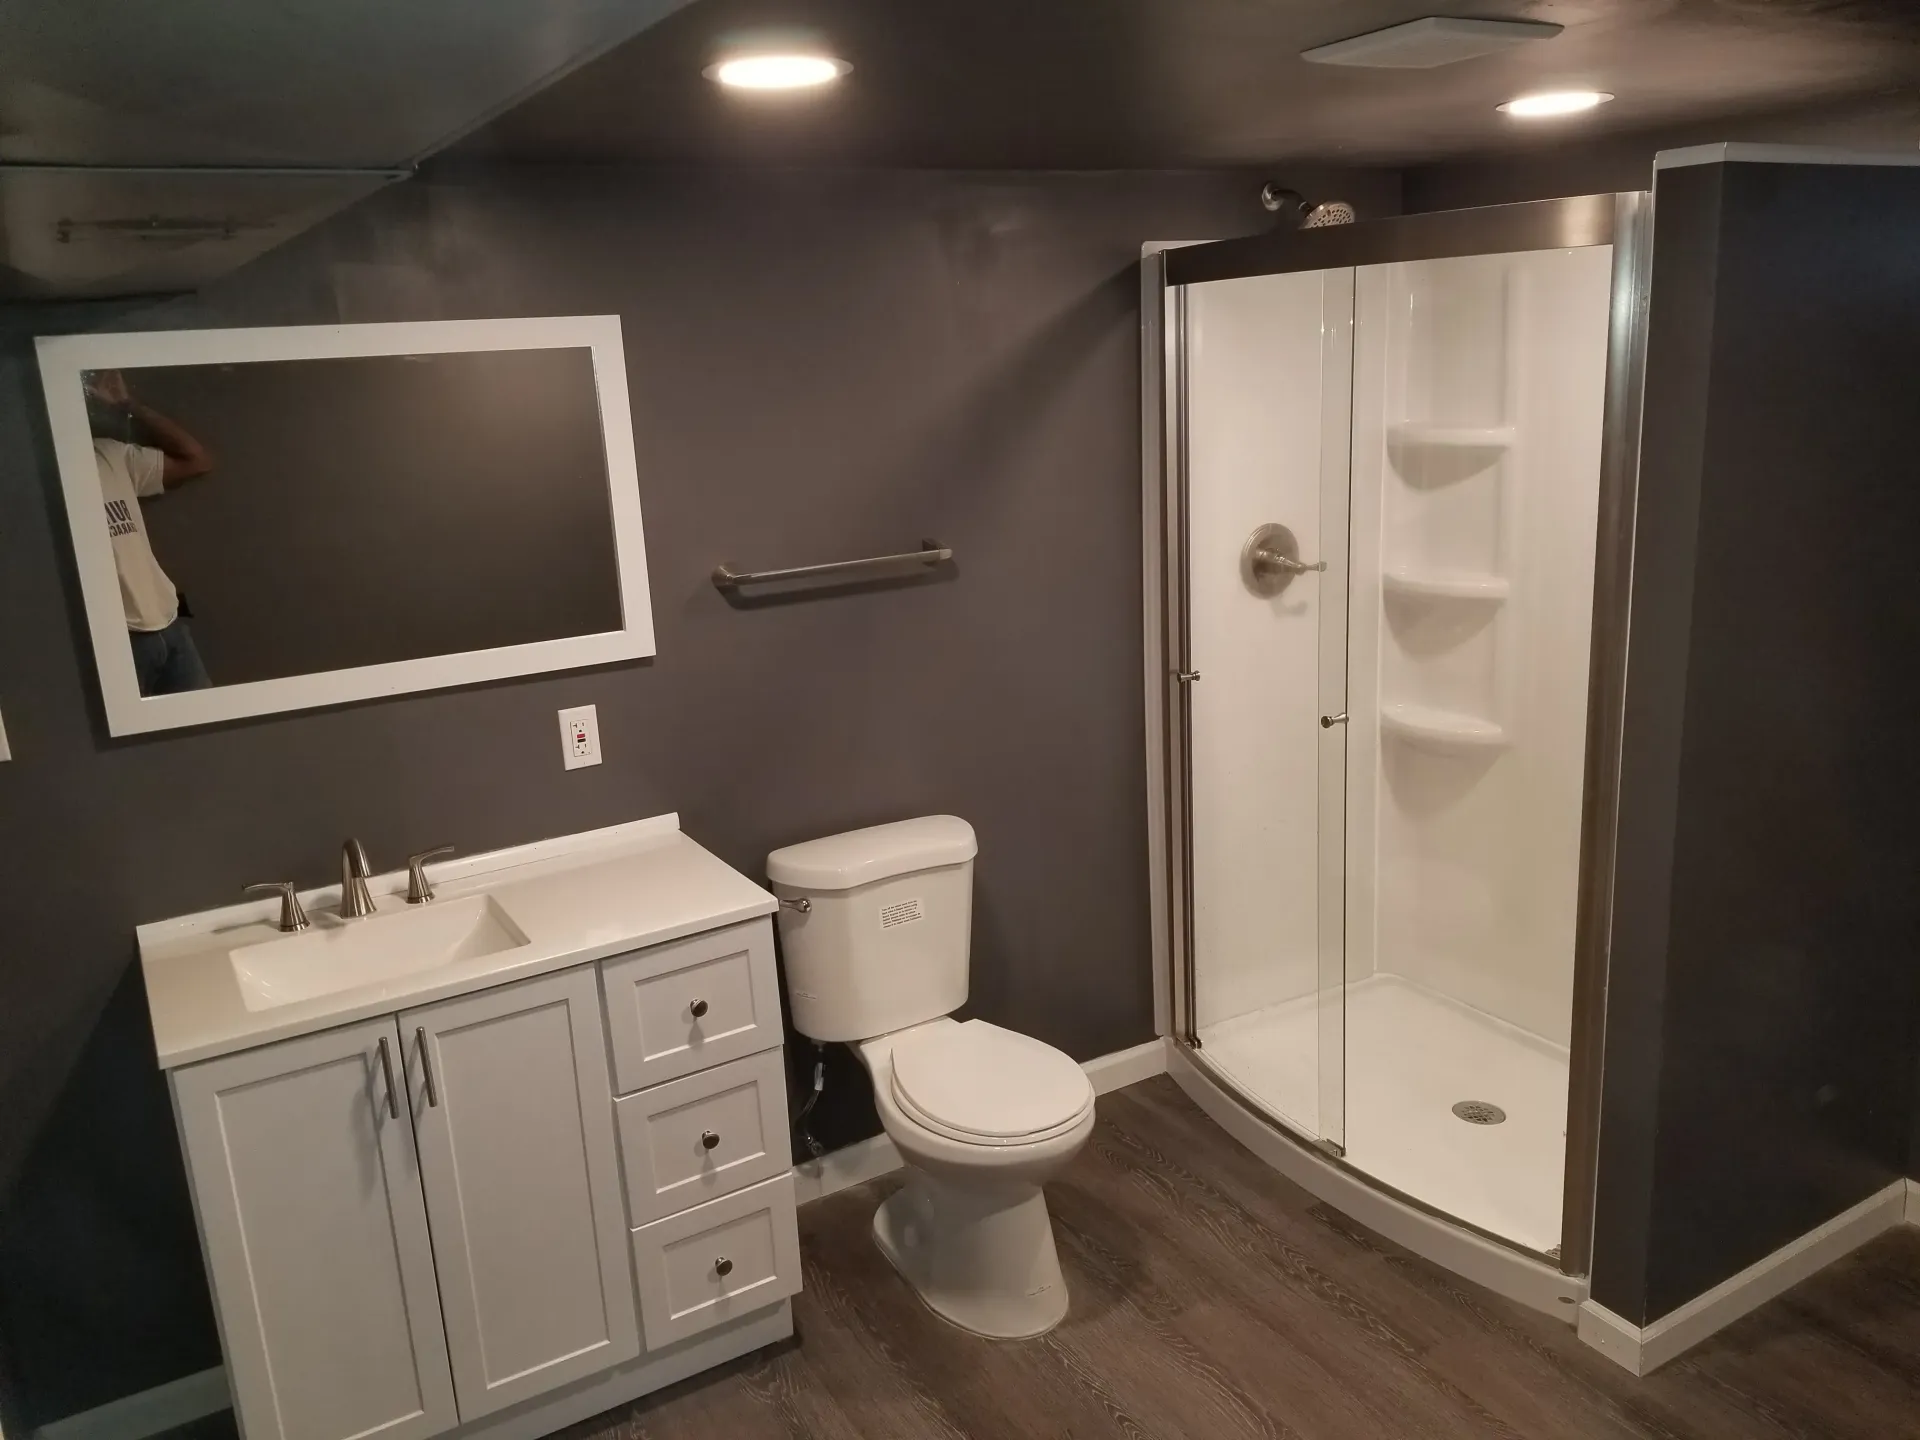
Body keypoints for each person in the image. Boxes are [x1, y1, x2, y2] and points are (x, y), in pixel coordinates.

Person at [85, 370, 217, 695]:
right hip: (116, 639)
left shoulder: (107, 454)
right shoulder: (34, 485)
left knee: (207, 732)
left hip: (167, 623)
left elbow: (196, 460)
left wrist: (129, 405)